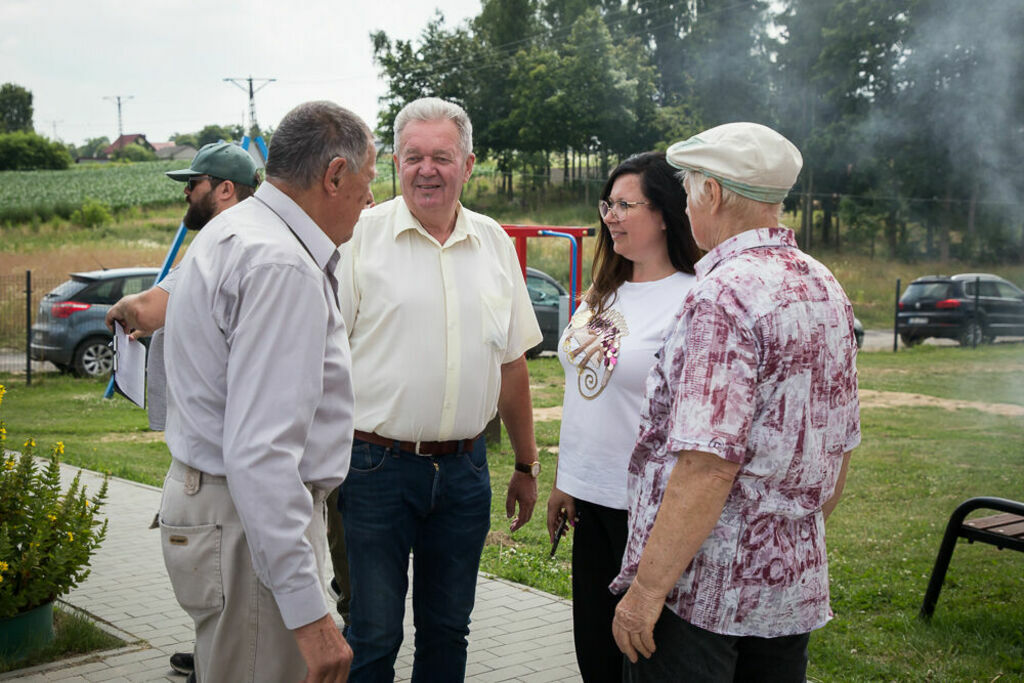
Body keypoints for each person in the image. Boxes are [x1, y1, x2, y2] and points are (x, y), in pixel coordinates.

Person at [609, 122, 860, 682]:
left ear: (712, 194)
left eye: (690, 188)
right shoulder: (824, 284)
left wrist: (646, 593)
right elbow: (840, 446)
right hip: (788, 590)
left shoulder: (723, 294)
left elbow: (706, 464)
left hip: (701, 596)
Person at [160, 101, 376, 682]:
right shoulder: (282, 265)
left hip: (227, 512)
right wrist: (310, 617)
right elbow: (262, 452)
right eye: (368, 181)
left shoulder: (237, 231)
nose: (371, 200)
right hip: (249, 522)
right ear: (334, 175)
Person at [335, 97, 542, 681]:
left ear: (469, 164)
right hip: (374, 468)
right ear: (395, 162)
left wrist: (525, 464)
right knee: (373, 634)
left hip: (465, 475)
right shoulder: (359, 239)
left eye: (442, 157)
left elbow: (512, 364)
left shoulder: (495, 243)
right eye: (414, 156)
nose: (428, 169)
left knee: (449, 630)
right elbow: (322, 364)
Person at [105, 141, 259, 680]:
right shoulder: (232, 245)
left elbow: (148, 310)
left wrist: (125, 307)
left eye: (192, 184)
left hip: (217, 475)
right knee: (231, 615)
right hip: (231, 467)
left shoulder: (222, 247)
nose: (185, 195)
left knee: (228, 615)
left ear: (224, 189)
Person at [545, 151, 700, 682]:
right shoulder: (601, 293)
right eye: (606, 203)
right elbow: (584, 394)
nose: (609, 214)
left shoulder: (692, 298)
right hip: (590, 503)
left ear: (663, 214)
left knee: (639, 659)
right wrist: (566, 480)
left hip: (647, 513)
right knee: (595, 656)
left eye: (624, 204)